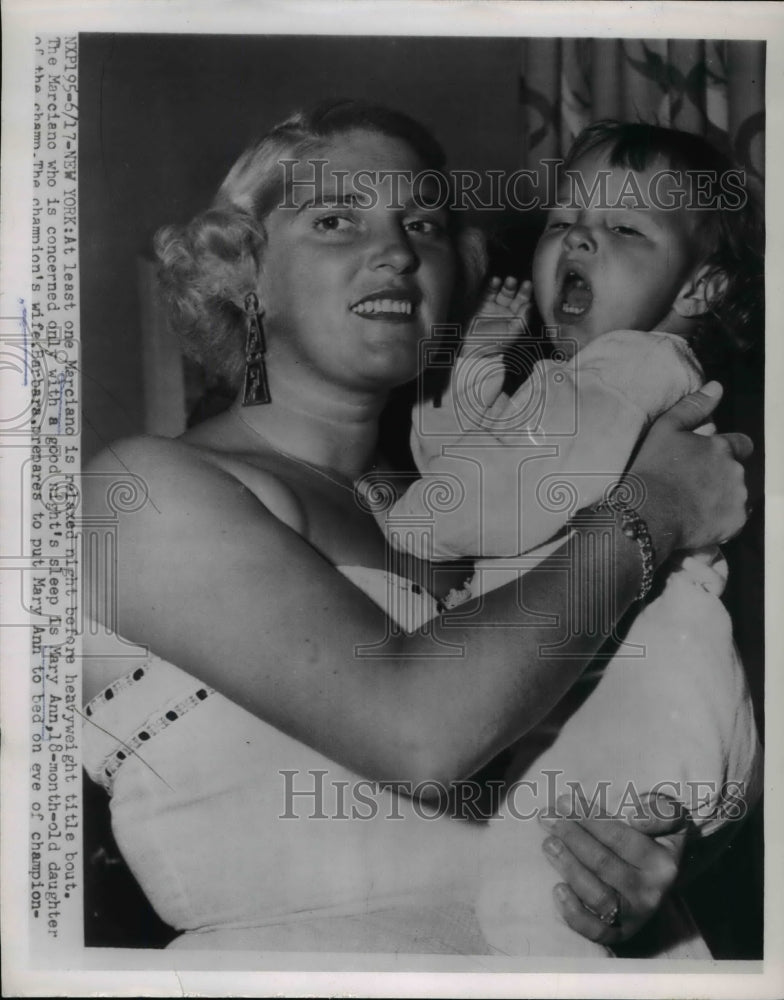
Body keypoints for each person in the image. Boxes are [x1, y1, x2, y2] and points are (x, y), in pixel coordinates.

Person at [81, 103, 753, 954]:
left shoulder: (479, 505)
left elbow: (658, 726)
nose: (397, 251)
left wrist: (650, 859)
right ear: (245, 271)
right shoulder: (142, 490)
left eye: (423, 224)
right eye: (336, 219)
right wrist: (657, 507)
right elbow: (420, 736)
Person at [375, 120, 762, 955]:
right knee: (554, 901)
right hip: (619, 690)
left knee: (537, 900)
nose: (581, 236)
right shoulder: (576, 382)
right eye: (563, 219)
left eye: (625, 227)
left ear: (703, 286)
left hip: (641, 684)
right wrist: (477, 365)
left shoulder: (639, 365)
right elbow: (470, 461)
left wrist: (408, 522)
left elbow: (501, 497)